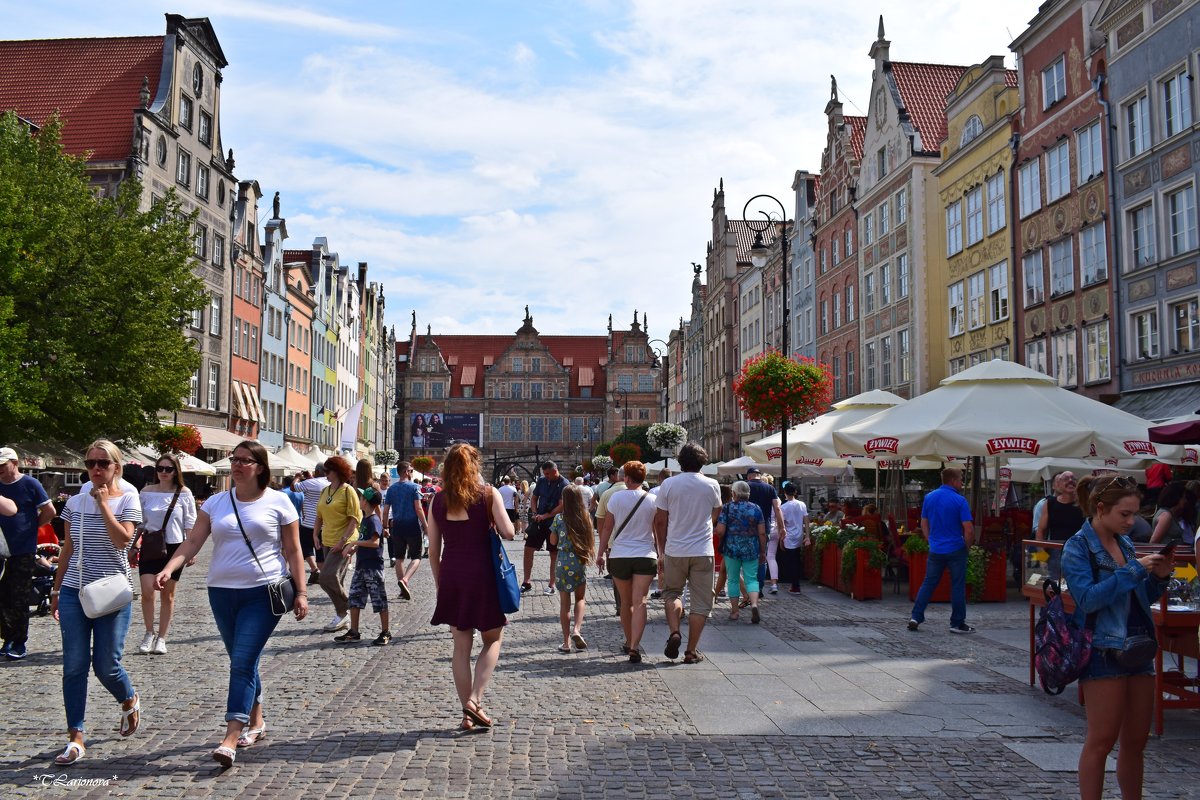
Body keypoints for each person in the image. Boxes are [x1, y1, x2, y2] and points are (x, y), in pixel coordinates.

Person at [155, 440, 306, 767]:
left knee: (241, 660)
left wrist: (303, 592)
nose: (237, 465)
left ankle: (231, 736)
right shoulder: (215, 502)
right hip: (221, 592)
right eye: (234, 459)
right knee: (243, 660)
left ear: (260, 467)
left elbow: (294, 550)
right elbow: (193, 540)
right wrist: (169, 568)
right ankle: (258, 722)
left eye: (245, 460)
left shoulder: (279, 502)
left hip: (262, 593)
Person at [1063, 475, 1173, 800]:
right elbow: (1088, 599)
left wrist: (1159, 579)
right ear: (1101, 508)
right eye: (1124, 514)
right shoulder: (1078, 546)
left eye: (1135, 514)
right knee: (1101, 740)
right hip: (1103, 649)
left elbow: (1137, 597)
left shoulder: (1124, 542)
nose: (1132, 521)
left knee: (1136, 741)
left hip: (1139, 645)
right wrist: (1135, 570)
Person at [50, 440, 143, 766]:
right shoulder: (74, 503)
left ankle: (129, 698)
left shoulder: (128, 499)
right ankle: (75, 736)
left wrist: (104, 505)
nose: (96, 469)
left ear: (116, 466)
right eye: (90, 463)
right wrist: (57, 588)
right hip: (76, 591)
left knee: (106, 665)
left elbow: (123, 540)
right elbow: (68, 547)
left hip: (113, 591)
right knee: (74, 665)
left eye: (103, 463)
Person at [427, 443, 516, 732]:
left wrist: (441, 584)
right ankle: (474, 701)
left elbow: (433, 550)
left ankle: (467, 714)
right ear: (474, 466)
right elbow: (509, 532)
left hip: (452, 573)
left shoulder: (437, 502)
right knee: (493, 639)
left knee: (461, 647)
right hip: (483, 575)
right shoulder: (487, 494)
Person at [653, 442, 722, 664]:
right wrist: (706, 524)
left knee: (672, 593)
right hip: (703, 550)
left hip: (675, 549)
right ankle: (691, 651)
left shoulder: (669, 485)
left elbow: (660, 520)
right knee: (701, 603)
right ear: (703, 461)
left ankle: (674, 632)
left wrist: (661, 550)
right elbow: (716, 511)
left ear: (680, 461)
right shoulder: (712, 485)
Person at [135, 453, 197, 655]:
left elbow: (190, 523)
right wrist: (134, 545)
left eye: (168, 469)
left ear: (175, 471)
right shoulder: (146, 492)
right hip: (151, 545)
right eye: (160, 468)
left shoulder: (184, 492)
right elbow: (140, 523)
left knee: (168, 594)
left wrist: (192, 550)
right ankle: (148, 632)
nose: (163, 472)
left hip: (175, 547)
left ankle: (162, 637)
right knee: (147, 590)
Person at [596, 461, 658, 662]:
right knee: (640, 601)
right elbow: (657, 530)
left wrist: (600, 552)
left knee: (625, 603)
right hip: (645, 555)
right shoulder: (653, 500)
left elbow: (607, 528)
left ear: (627, 478)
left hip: (620, 554)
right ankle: (635, 646)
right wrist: (662, 553)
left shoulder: (616, 498)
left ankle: (629, 639)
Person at [0, 446, 56, 659]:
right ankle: (7, 639)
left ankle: (19, 642)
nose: (0, 470)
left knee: (20, 596)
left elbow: (50, 511)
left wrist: (32, 528)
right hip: (1, 549)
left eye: (3, 465)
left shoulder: (29, 483)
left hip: (22, 549)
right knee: (2, 595)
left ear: (14, 463)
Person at [907, 467, 975, 634]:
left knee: (929, 583)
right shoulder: (960, 501)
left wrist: (931, 540)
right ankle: (957, 623)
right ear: (953, 481)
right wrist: (966, 547)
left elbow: (923, 523)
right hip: (955, 548)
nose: (962, 482)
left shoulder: (929, 497)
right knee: (957, 586)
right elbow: (969, 529)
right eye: (960, 479)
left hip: (936, 548)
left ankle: (916, 616)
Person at [336, 488, 390, 645]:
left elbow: (374, 543)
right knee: (354, 598)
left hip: (373, 568)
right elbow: (364, 539)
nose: (359, 500)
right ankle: (354, 631)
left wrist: (354, 542)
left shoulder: (374, 520)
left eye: (361, 498)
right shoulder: (365, 519)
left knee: (379, 600)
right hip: (361, 566)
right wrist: (354, 550)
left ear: (365, 502)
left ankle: (385, 632)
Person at [314, 456, 362, 632]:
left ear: (337, 471)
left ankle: (349, 606)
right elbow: (319, 515)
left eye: (328, 471)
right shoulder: (325, 491)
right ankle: (342, 615)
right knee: (334, 579)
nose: (325, 474)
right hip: (327, 539)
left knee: (327, 577)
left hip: (344, 540)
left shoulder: (348, 491)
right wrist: (315, 534)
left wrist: (343, 541)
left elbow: (355, 519)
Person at [550, 485, 595, 653]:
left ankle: (566, 642)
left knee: (564, 604)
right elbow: (589, 541)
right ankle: (577, 629)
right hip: (579, 561)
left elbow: (553, 542)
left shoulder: (559, 519)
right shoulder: (585, 518)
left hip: (562, 562)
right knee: (580, 598)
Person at [715, 481, 767, 623]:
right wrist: (763, 552)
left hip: (732, 548)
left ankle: (734, 611)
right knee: (751, 578)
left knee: (732, 579)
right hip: (751, 548)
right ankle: (754, 604)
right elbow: (762, 533)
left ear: (734, 493)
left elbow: (720, 531)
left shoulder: (727, 508)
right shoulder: (756, 508)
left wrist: (719, 534)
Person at [524, 460, 570, 595]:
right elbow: (534, 498)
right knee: (528, 549)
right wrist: (534, 512)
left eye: (547, 474)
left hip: (554, 524)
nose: (546, 476)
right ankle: (526, 582)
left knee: (554, 553)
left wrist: (545, 515)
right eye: (544, 474)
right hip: (538, 521)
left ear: (555, 471)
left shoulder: (564, 484)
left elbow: (561, 505)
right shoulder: (542, 481)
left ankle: (552, 584)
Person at [383, 461, 427, 598]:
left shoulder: (391, 489)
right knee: (416, 557)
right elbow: (418, 508)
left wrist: (385, 526)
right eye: (411, 470)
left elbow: (385, 511)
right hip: (412, 525)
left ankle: (403, 590)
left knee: (399, 558)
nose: (412, 473)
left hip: (397, 526)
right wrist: (425, 525)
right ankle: (405, 579)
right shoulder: (414, 487)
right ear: (406, 472)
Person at [745, 467, 787, 595]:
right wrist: (782, 527)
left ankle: (751, 587)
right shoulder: (770, 488)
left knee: (748, 558)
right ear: (759, 475)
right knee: (762, 556)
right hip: (765, 527)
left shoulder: (745, 486)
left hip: (747, 528)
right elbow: (777, 508)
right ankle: (760, 586)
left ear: (749, 476)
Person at [296, 464, 329, 586]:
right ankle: (324, 575)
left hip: (308, 523)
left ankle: (315, 569)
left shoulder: (311, 483)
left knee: (306, 548)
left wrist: (298, 477)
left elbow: (294, 487)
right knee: (320, 551)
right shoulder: (328, 483)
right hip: (323, 523)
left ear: (316, 471)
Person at [779, 483, 809, 593]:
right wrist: (807, 536)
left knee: (791, 561)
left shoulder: (783, 507)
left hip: (789, 536)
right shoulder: (802, 504)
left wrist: (781, 539)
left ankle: (795, 585)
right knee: (796, 559)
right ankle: (796, 584)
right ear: (795, 492)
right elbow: (806, 520)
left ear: (784, 492)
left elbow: (782, 524)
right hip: (799, 535)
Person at [1149, 481, 1196, 547]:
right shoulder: (1166, 516)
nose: (1185, 501)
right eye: (1183, 497)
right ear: (1176, 498)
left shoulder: (1172, 515)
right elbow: (1153, 542)